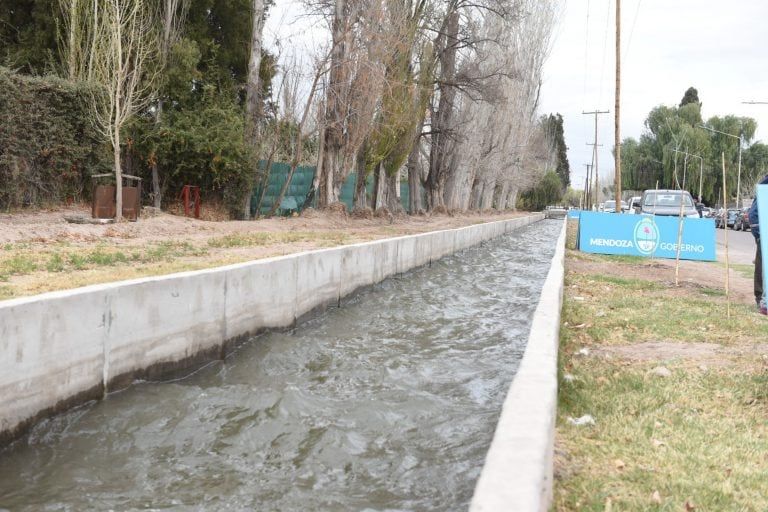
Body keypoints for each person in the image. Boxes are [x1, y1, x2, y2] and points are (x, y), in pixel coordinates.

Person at [748, 175, 768, 315]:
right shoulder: (764, 185)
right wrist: (759, 233)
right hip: (764, 230)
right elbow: (754, 214)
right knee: (762, 265)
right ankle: (761, 298)